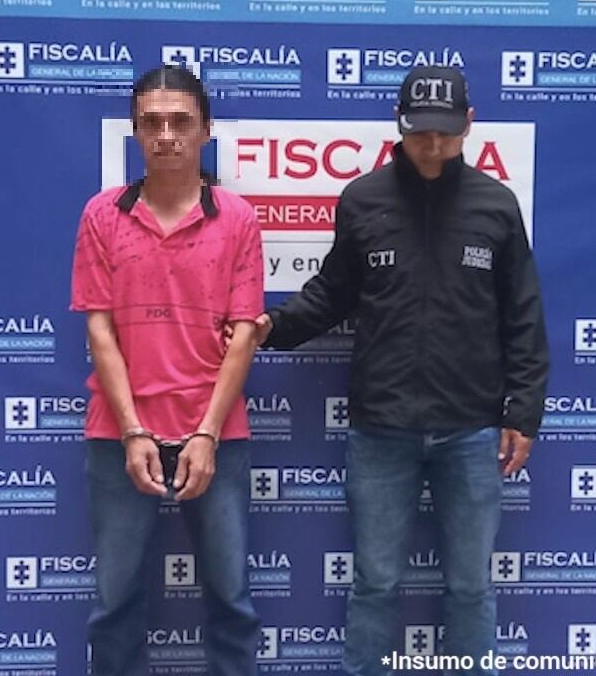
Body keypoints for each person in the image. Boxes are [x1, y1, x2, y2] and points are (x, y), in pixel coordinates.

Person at [259, 66, 549, 675]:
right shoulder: (363, 200)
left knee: (470, 587)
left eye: (446, 132)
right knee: (375, 583)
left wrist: (523, 412)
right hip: (380, 429)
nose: (433, 145)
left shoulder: (497, 206)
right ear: (399, 124)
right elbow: (332, 293)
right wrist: (270, 328)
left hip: (472, 430)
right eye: (421, 133)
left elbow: (523, 316)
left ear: (469, 124)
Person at [71, 65, 263, 676]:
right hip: (118, 434)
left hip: (216, 434)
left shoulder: (237, 218)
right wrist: (133, 431)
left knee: (231, 599)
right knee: (115, 602)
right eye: (152, 123)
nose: (167, 136)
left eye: (181, 122)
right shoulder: (103, 215)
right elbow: (99, 330)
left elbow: (243, 337)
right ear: (135, 131)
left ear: (206, 130)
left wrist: (207, 433)